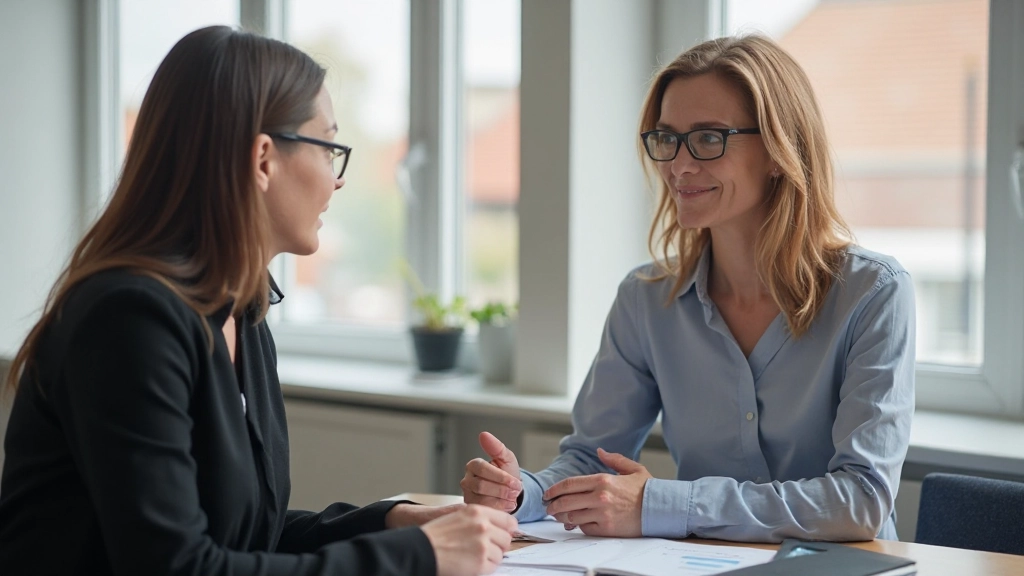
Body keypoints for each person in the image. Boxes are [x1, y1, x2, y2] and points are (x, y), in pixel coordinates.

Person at [0, 26, 515, 576]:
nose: (337, 182)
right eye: (330, 148)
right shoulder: (128, 319)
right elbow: (178, 567)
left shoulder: (242, 314)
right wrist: (415, 558)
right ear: (264, 158)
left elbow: (247, 538)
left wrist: (395, 522)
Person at [461, 34, 915, 543]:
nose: (678, 164)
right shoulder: (645, 299)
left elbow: (861, 501)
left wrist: (663, 503)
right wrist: (521, 494)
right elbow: (591, 459)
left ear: (778, 150)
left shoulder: (873, 294)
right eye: (667, 138)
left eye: (708, 138)